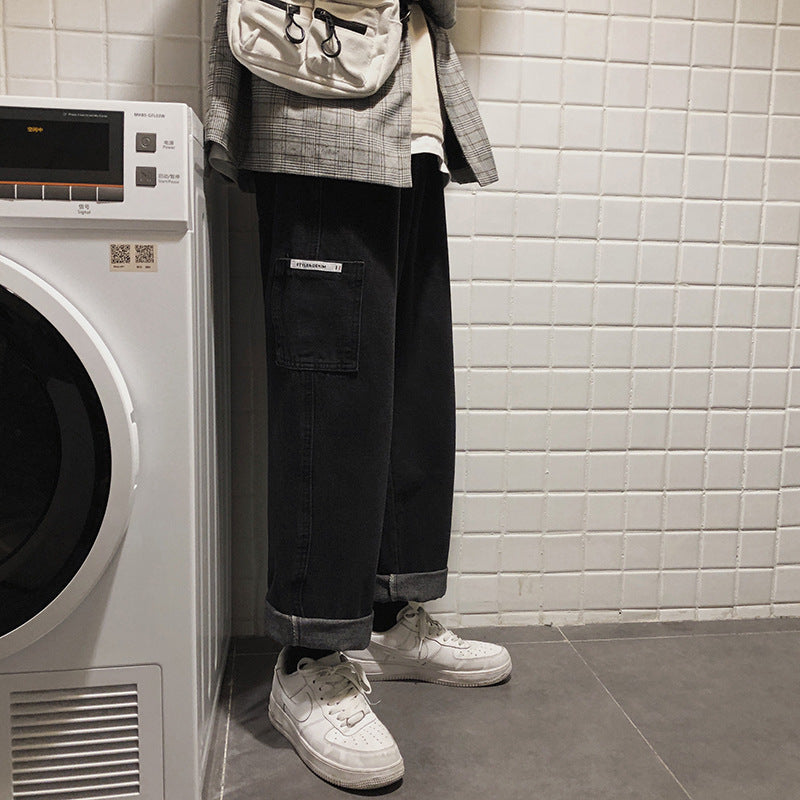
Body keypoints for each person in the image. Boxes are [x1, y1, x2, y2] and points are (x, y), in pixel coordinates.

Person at [206, 0, 512, 789]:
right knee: (329, 391)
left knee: (411, 381)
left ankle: (388, 615)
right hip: (323, 108)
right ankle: (308, 657)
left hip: (406, 117)